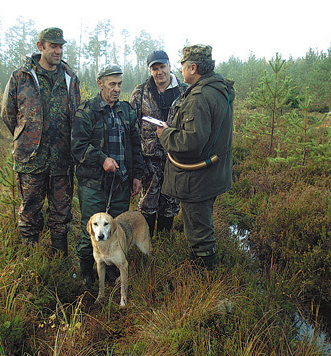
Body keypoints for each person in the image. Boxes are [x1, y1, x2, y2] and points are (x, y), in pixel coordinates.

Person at [1, 27, 80, 255]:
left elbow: (75, 112)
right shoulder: (21, 76)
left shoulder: (69, 77)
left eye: (61, 46)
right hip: (31, 158)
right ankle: (31, 261)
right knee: (30, 211)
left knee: (61, 213)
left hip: (62, 159)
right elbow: (8, 114)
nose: (58, 50)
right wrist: (26, 136)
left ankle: (60, 261)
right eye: (53, 46)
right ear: (40, 47)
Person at [157, 45, 235, 270]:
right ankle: (204, 270)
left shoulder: (199, 97)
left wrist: (165, 134)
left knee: (200, 232)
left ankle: (206, 279)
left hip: (198, 179)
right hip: (212, 174)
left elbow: (191, 143)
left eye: (182, 65)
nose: (180, 69)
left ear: (193, 67)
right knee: (201, 225)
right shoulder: (219, 88)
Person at [71, 64, 144, 287]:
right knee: (91, 230)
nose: (116, 88)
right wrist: (102, 159)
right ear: (100, 84)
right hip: (93, 184)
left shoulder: (126, 111)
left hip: (120, 182)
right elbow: (78, 146)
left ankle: (112, 271)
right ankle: (87, 273)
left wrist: (136, 175)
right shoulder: (87, 111)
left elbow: (134, 145)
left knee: (116, 230)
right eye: (112, 84)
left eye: (120, 84)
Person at [129, 50, 186, 236]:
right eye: (154, 68)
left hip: (175, 159)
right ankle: (146, 243)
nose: (159, 71)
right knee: (147, 203)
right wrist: (135, 165)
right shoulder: (140, 92)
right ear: (150, 70)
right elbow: (131, 128)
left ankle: (164, 244)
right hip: (149, 161)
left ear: (169, 66)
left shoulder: (184, 92)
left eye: (162, 67)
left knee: (170, 202)